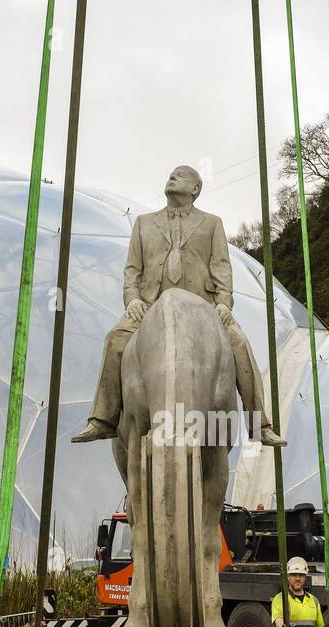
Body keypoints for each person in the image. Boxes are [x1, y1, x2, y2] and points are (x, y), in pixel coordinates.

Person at [71, 164, 286, 448]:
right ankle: (103, 418)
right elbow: (132, 270)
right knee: (115, 339)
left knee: (240, 344)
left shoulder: (212, 223)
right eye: (172, 173)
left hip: (204, 308)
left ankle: (260, 425)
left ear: (195, 189)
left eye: (181, 174)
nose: (173, 176)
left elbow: (221, 268)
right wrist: (133, 299)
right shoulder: (144, 223)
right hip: (149, 307)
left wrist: (223, 303)